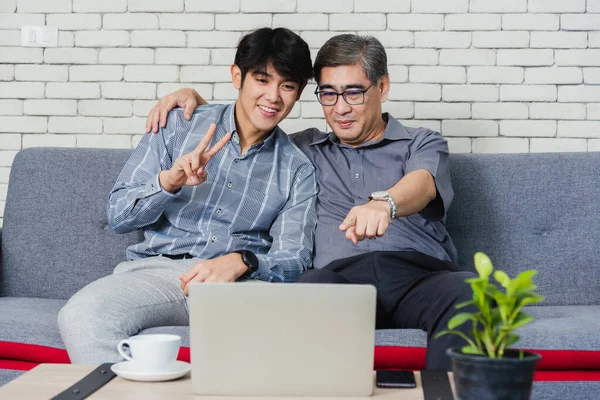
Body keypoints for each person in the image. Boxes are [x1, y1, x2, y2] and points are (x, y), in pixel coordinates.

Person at [147, 34, 477, 371]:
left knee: (467, 292)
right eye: (329, 94)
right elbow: (245, 122)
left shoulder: (421, 141)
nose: (341, 107)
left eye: (354, 92)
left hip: (421, 278)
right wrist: (193, 99)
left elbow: (422, 184)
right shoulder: (300, 151)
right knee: (310, 289)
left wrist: (385, 203)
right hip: (339, 282)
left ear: (383, 86)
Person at [57, 27, 318, 363]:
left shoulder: (297, 169)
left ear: (298, 93)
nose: (273, 97)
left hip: (237, 284)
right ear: (237, 76)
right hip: (158, 274)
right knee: (81, 317)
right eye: (262, 80)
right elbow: (118, 215)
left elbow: (294, 260)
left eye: (288, 86)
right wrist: (169, 182)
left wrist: (244, 261)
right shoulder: (179, 125)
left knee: (276, 342)